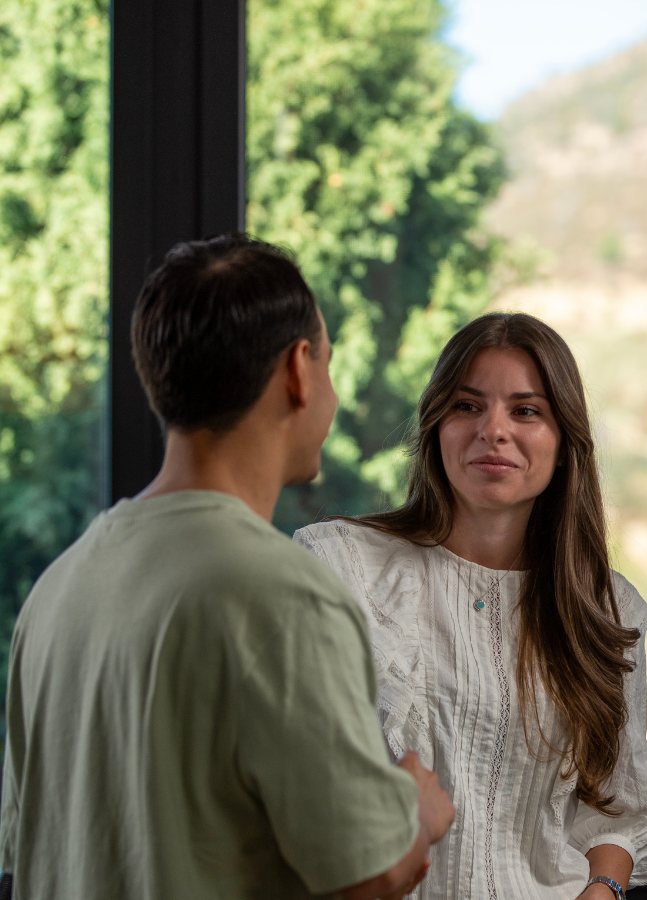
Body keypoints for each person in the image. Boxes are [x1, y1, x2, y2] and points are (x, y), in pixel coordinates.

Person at [0, 234, 454, 899]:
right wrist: (418, 814)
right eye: (327, 362)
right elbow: (369, 876)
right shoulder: (282, 596)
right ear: (299, 370)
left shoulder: (58, 589)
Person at [294, 312, 647, 900]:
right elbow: (298, 779)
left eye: (526, 410)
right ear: (435, 425)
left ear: (565, 443)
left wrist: (601, 892)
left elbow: (619, 813)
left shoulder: (608, 610)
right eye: (467, 406)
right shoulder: (344, 567)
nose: (493, 429)